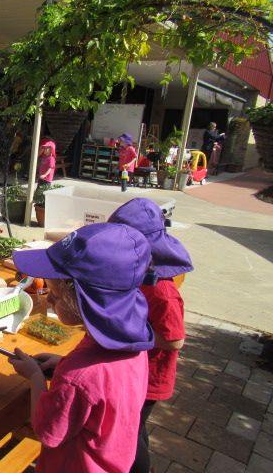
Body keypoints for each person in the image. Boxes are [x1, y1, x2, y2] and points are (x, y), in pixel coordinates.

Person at [9, 222, 154, 473]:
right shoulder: (133, 345)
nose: (49, 299)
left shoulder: (77, 378)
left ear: (84, 299)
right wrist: (62, 362)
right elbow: (105, 388)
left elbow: (46, 430)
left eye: (54, 292)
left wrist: (35, 377)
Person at [108, 198, 193, 473]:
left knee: (129, 432)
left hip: (150, 377)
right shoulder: (140, 273)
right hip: (137, 369)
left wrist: (129, 333)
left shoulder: (163, 291)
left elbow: (175, 338)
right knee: (136, 427)